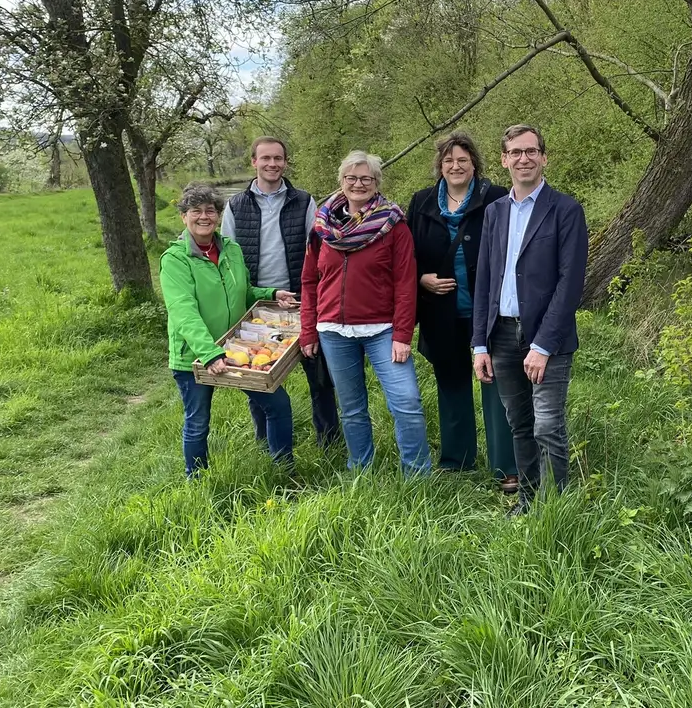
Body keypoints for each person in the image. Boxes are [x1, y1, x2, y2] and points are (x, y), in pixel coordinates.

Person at [472, 124, 589, 515]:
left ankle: (559, 506)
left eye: (531, 151)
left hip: (546, 337)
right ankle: (528, 499)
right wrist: (480, 344)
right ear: (504, 160)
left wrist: (542, 345)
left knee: (547, 425)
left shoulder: (566, 210)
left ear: (544, 157)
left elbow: (570, 283)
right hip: (501, 334)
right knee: (519, 423)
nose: (524, 159)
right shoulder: (495, 212)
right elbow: (485, 279)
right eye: (515, 153)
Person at [297, 151, 432, 474]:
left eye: (366, 179)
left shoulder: (394, 225)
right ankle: (360, 469)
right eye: (351, 178)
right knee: (352, 409)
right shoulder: (322, 228)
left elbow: (405, 283)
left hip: (383, 331)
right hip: (333, 331)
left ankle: (417, 474)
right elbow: (309, 280)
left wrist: (402, 335)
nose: (358, 184)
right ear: (341, 182)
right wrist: (308, 330)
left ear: (377, 183)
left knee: (407, 403)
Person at [161, 183, 299, 478]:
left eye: (210, 210)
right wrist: (211, 354)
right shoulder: (175, 260)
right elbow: (183, 312)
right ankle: (196, 481)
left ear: (218, 215)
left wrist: (271, 293)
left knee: (277, 404)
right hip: (196, 356)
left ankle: (282, 472)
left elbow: (242, 291)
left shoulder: (232, 249)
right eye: (195, 211)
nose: (203, 217)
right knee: (198, 421)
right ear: (184, 217)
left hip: (239, 349)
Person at [406, 131, 519, 492]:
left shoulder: (496, 198)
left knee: (497, 387)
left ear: (475, 165)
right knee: (452, 386)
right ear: (440, 165)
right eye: (449, 160)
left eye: (463, 160)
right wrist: (421, 279)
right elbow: (406, 257)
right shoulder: (421, 202)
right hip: (441, 314)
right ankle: (457, 462)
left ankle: (507, 468)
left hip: (489, 313)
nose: (456, 166)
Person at [220, 136, 342, 451]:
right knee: (258, 375)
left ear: (285, 162)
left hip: (301, 301)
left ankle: (328, 440)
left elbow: (318, 250)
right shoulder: (236, 205)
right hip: (258, 303)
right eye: (266, 158)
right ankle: (265, 442)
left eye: (278, 158)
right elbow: (229, 255)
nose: (272, 164)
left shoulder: (303, 201)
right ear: (254, 162)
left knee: (319, 375)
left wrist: (312, 295)